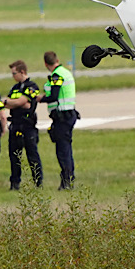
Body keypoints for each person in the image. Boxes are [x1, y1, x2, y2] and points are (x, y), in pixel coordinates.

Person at [5, 59, 45, 190]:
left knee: (32, 156)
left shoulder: (32, 86)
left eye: (14, 73)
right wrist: (14, 102)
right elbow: (13, 102)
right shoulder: (15, 88)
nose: (13, 76)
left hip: (28, 126)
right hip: (15, 124)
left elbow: (22, 103)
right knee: (14, 156)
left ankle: (38, 182)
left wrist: (13, 102)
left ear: (22, 72)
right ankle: (15, 183)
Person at [42, 50, 77, 190]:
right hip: (69, 115)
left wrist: (40, 98)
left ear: (46, 63)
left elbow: (54, 96)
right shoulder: (66, 72)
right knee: (66, 150)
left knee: (63, 151)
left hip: (62, 117)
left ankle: (67, 182)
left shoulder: (56, 75)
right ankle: (69, 179)